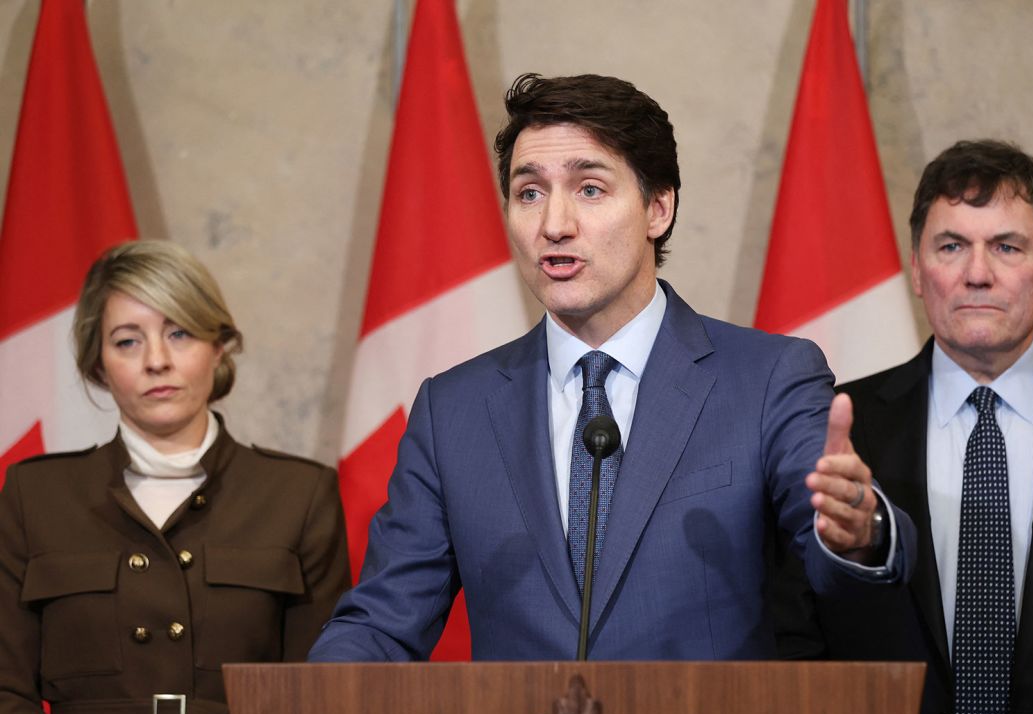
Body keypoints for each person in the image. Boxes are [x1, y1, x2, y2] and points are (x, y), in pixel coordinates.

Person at [309, 73, 916, 663]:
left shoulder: (766, 378)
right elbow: (385, 620)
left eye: (590, 189)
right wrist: (304, 705)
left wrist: (858, 533)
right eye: (529, 193)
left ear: (658, 208)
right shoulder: (454, 409)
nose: (554, 225)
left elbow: (838, 564)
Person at [772, 140, 1033, 714]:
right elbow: (791, 633)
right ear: (918, 273)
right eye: (952, 247)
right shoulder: (830, 424)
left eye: (1007, 247)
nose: (977, 273)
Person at [0, 241, 350, 714]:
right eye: (127, 341)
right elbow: (5, 692)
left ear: (219, 346)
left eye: (179, 333)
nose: (156, 360)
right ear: (97, 364)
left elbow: (318, 693)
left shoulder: (299, 496)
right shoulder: (34, 496)